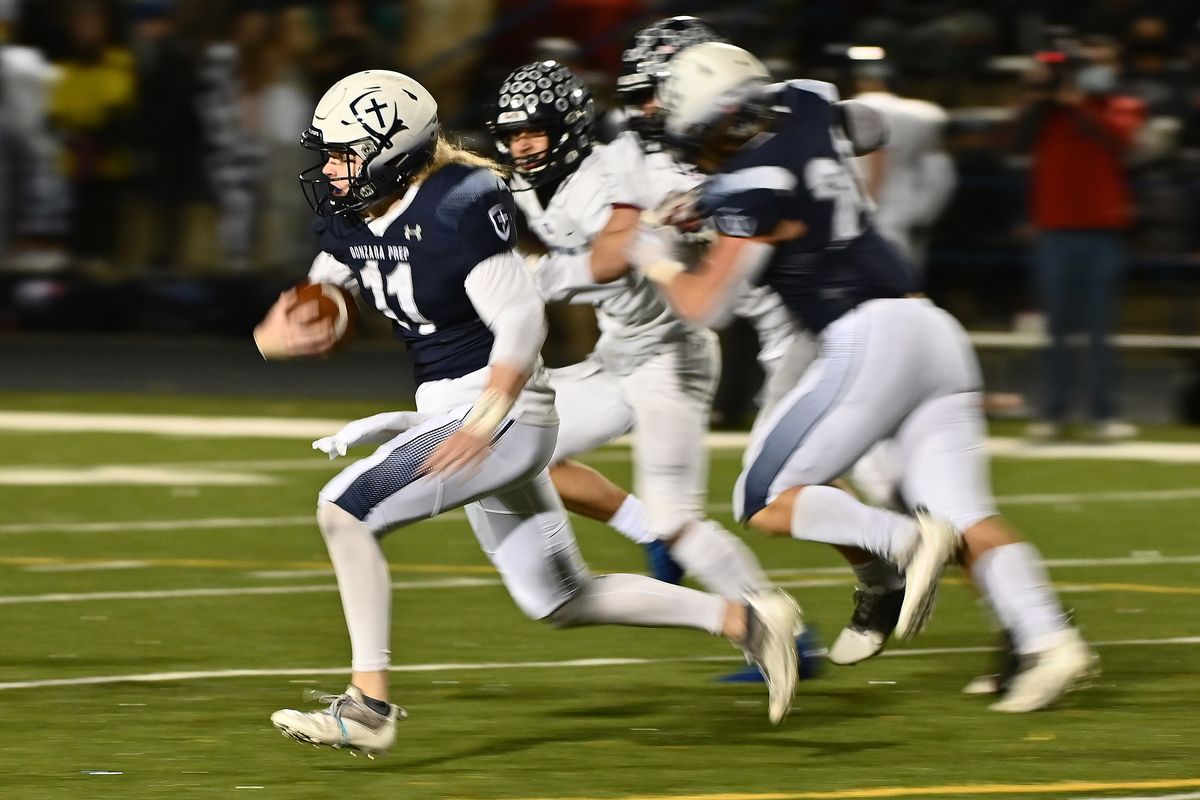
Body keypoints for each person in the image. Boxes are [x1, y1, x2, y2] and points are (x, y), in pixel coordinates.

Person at [253, 69, 804, 755]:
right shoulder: (356, 211)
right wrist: (280, 332)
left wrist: (488, 415)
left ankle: (369, 706)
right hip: (456, 406)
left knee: (345, 509)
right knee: (559, 597)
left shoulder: (456, 204)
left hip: (502, 406)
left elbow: (519, 320)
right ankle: (749, 621)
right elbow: (328, 281)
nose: (332, 170)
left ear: (394, 152)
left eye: (346, 154)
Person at [635, 42, 1098, 712]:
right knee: (969, 513)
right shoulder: (806, 100)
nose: (700, 154)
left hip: (868, 336)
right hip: (932, 329)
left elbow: (708, 305)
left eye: (702, 140)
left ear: (724, 122)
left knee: (761, 499)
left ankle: (903, 544)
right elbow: (868, 130)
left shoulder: (751, 186)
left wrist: (658, 259)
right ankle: (1051, 640)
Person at [487, 57, 782, 614]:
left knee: (681, 521)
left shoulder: (607, 180)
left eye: (533, 131)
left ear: (568, 128)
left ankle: (778, 627)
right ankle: (645, 531)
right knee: (516, 447)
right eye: (511, 134)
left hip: (671, 356)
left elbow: (611, 262)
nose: (522, 146)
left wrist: (534, 276)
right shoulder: (532, 186)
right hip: (619, 354)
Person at [1014, 44, 1145, 442]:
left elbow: (1119, 140)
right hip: (1055, 231)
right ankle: (1052, 413)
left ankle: (1103, 414)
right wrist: (1042, 99)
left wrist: (1078, 104)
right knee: (1056, 329)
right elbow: (1017, 141)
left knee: (1099, 329)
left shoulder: (1119, 105)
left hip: (1102, 233)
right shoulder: (1043, 113)